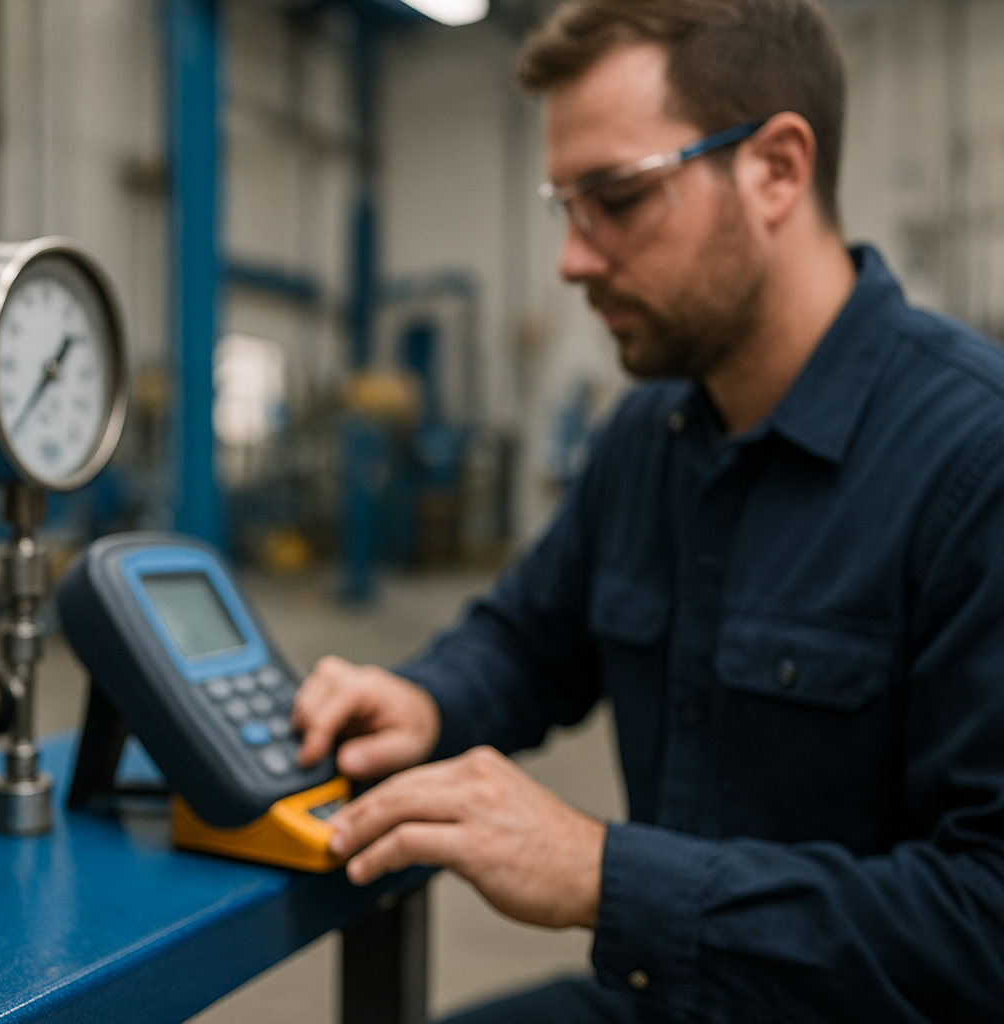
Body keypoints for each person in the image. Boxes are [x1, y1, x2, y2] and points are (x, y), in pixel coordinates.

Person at [291, 1, 1004, 1020]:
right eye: (566, 209)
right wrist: (427, 701)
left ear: (776, 170)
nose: (573, 261)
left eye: (617, 199)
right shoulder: (649, 436)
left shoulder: (974, 463)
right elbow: (529, 639)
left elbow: (986, 922)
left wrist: (605, 873)